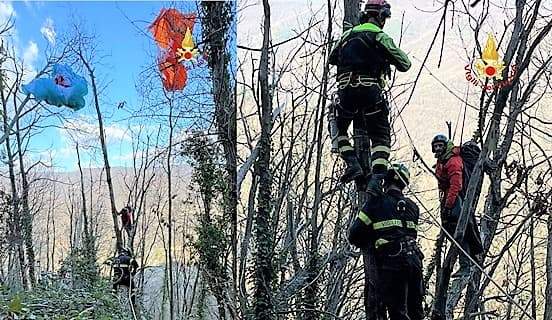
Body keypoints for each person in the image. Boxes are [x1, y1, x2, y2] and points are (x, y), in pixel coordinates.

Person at [328, 0, 411, 193]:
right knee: (381, 138)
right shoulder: (380, 36)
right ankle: (377, 178)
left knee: (339, 131)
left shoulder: (347, 35)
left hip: (346, 93)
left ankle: (352, 164)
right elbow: (405, 64)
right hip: (370, 93)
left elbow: (332, 58)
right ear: (380, 16)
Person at [348, 163, 424, 320]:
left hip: (392, 263)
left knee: (397, 313)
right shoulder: (413, 207)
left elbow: (354, 234)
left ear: (385, 181)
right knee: (416, 313)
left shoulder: (376, 203)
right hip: (415, 262)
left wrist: (371, 238)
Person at [431, 134, 483, 317]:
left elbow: (456, 185)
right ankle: (464, 263)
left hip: (456, 199)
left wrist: (448, 206)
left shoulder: (453, 162)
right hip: (450, 198)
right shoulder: (442, 161)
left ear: (445, 146)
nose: (437, 149)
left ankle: (466, 264)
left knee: (460, 231)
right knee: (455, 232)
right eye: (435, 146)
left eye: (440, 146)